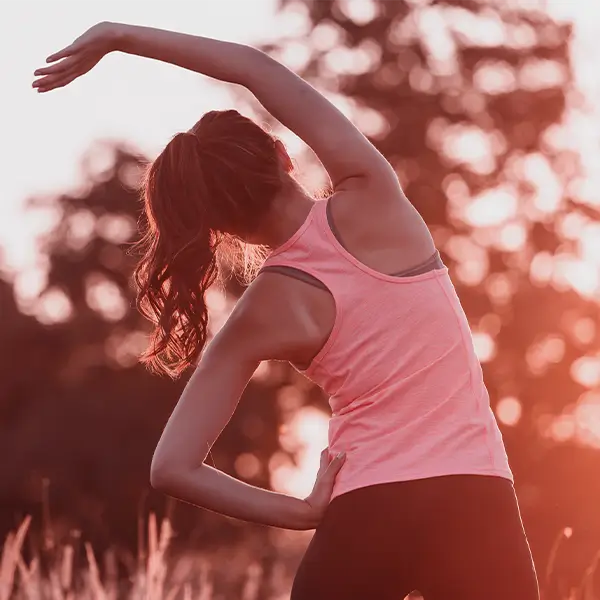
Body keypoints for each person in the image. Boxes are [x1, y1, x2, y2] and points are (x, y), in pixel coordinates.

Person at [34, 22, 540, 599]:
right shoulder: (373, 194)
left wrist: (300, 512)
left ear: (218, 227)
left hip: (364, 512)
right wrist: (117, 36)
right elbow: (252, 68)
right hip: (474, 497)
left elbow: (171, 466)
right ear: (282, 155)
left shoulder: (258, 313)